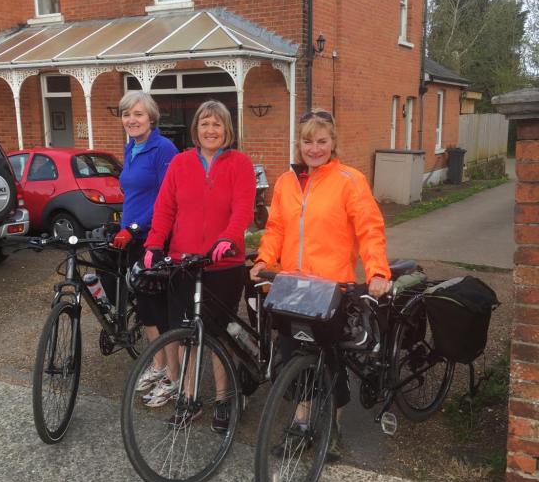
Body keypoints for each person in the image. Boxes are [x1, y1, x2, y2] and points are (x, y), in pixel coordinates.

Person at [250, 109, 391, 461]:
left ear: (333, 143)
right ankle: (300, 425)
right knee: (291, 353)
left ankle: (332, 426)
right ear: (299, 144)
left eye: (322, 141)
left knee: (330, 360)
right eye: (307, 141)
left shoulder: (349, 180)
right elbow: (277, 229)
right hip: (291, 286)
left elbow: (369, 229)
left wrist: (377, 272)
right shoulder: (286, 182)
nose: (314, 148)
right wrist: (264, 261)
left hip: (331, 288)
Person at [142, 100, 256, 429]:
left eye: (217, 124)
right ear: (196, 129)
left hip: (223, 263)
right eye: (205, 124)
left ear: (227, 130)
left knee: (218, 335)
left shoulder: (240, 163)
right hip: (184, 263)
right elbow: (165, 209)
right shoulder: (179, 164)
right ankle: (189, 399)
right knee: (189, 332)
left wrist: (228, 238)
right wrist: (153, 244)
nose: (211, 130)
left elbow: (242, 209)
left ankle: (223, 398)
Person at [111, 90, 178, 389]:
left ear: (151, 117)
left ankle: (173, 376)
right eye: (127, 114)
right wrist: (123, 224)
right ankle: (158, 363)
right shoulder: (131, 148)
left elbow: (167, 198)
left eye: (138, 114)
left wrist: (136, 226)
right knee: (145, 307)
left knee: (159, 306)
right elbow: (133, 193)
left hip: (154, 237)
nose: (131, 119)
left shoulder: (164, 149)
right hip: (132, 235)